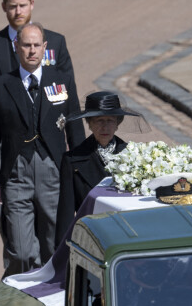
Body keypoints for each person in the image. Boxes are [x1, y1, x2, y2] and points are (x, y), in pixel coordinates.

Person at [0, 22, 84, 277]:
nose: (31, 51)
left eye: (36, 45)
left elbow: (75, 132)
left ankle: (49, 295)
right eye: (26, 45)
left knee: (54, 245)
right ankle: (16, 286)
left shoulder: (62, 82)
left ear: (45, 48)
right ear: (16, 47)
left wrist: (79, 175)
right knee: (22, 251)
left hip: (53, 172)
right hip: (16, 175)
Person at [0, 0, 75, 162]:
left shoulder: (55, 42)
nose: (18, 11)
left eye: (22, 5)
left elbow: (68, 93)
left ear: (32, 4)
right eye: (13, 6)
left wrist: (70, 136)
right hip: (7, 135)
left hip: (48, 136)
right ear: (4, 6)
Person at [55, 91, 145, 246]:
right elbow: (66, 213)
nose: (105, 126)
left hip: (127, 236)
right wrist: (62, 253)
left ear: (118, 123)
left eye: (110, 120)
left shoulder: (133, 156)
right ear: (89, 123)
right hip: (92, 239)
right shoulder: (72, 160)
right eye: (99, 120)